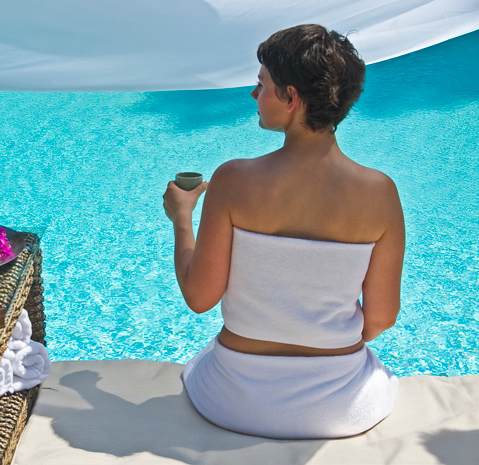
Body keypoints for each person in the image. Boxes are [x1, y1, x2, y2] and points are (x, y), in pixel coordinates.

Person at [162, 24, 404, 439]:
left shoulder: (234, 180)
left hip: (235, 397)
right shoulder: (379, 192)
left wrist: (181, 218)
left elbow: (200, 298)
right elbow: (382, 316)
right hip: (340, 403)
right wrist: (320, 339)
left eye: (262, 85)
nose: (253, 95)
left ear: (291, 97)